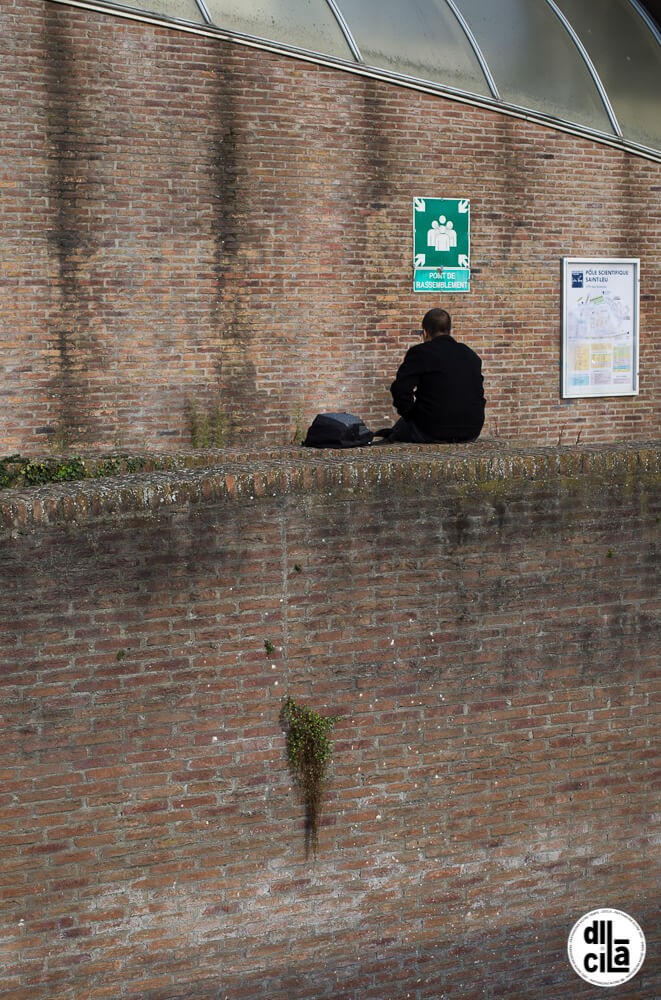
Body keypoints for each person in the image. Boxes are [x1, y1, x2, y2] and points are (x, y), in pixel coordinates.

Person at [377, 308, 485, 444]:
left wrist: (409, 414)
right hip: (471, 430)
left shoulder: (421, 352)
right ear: (449, 330)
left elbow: (401, 389)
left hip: (431, 430)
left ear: (425, 332)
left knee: (393, 433)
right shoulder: (470, 355)